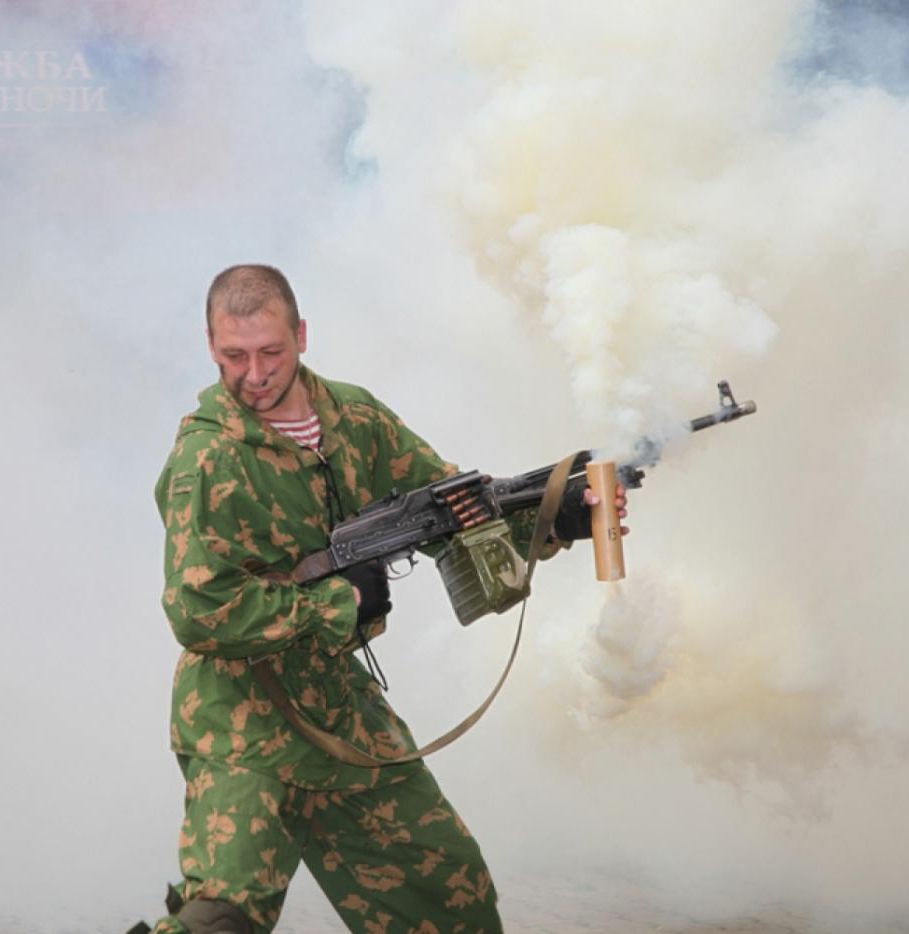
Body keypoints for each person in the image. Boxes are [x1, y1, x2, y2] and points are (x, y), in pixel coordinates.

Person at [132, 265, 626, 934]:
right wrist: (336, 604)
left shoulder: (354, 417)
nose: (255, 374)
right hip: (239, 720)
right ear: (210, 345)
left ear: (302, 335)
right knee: (221, 918)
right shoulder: (207, 459)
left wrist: (554, 517)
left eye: (271, 352)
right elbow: (199, 611)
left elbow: (452, 512)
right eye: (234, 356)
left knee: (450, 902)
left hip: (340, 713)